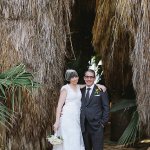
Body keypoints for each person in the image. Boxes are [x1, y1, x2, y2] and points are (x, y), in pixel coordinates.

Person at [53, 69, 106, 150]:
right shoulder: (65, 88)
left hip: (77, 119)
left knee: (76, 139)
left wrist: (99, 85)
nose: (74, 79)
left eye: (75, 76)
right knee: (67, 138)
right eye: (72, 77)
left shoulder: (79, 87)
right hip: (67, 117)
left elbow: (89, 84)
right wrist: (57, 121)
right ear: (68, 79)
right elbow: (59, 106)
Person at [80, 69, 109, 150]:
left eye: (91, 77)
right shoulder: (80, 90)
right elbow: (71, 85)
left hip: (97, 126)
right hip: (84, 126)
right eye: (87, 77)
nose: (89, 79)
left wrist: (103, 123)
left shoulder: (100, 90)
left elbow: (106, 107)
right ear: (84, 78)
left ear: (94, 78)